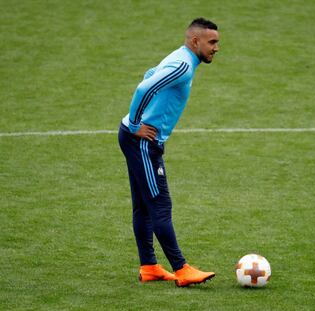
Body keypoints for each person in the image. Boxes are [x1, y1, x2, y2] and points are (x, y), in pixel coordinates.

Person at [118, 18, 219, 287]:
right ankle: (181, 269)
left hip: (136, 139)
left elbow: (151, 74)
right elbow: (145, 87)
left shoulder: (180, 57)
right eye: (212, 42)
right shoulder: (184, 65)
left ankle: (149, 266)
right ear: (195, 41)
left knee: (144, 206)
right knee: (160, 205)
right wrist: (138, 124)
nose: (216, 48)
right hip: (141, 142)